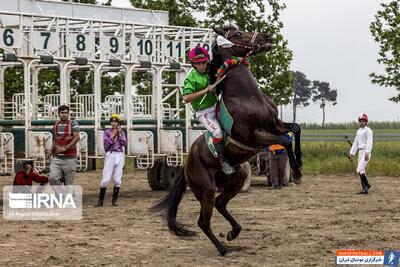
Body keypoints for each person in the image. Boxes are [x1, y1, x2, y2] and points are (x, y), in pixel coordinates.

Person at [182, 46, 235, 175]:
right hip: (204, 113)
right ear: (193, 64)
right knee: (217, 132)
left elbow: (225, 65)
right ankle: (224, 162)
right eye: (198, 63)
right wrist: (205, 90)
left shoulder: (212, 69)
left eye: (204, 62)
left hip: (217, 105)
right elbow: (186, 98)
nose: (202, 65)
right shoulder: (191, 78)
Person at [95, 114, 127, 207]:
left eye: (116, 122)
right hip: (110, 154)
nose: (114, 123)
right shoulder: (107, 132)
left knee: (117, 180)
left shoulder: (122, 132)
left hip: (120, 155)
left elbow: (124, 143)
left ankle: (114, 201)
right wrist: (112, 136)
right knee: (105, 180)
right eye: (112, 122)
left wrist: (120, 134)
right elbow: (105, 145)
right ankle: (100, 201)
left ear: (118, 123)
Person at [47, 105, 80, 190]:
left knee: (69, 183)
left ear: (68, 114)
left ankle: (68, 200)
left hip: (70, 158)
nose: (64, 114)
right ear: (58, 114)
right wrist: (50, 151)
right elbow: (55, 140)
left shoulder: (73, 123)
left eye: (66, 113)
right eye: (62, 113)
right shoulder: (56, 125)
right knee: (52, 178)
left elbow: (77, 138)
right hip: (57, 158)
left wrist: (66, 148)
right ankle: (63, 197)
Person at [349, 113, 373, 194]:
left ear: (366, 122)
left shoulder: (368, 130)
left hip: (366, 152)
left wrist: (367, 152)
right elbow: (356, 143)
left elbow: (369, 142)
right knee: (362, 171)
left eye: (363, 121)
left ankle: (367, 185)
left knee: (358, 169)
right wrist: (352, 153)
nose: (362, 122)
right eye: (360, 121)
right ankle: (364, 189)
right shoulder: (358, 131)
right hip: (360, 152)